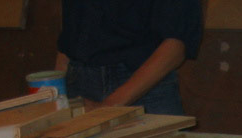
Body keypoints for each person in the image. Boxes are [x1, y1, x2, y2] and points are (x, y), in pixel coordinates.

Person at [55, 0, 202, 116]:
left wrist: (109, 106)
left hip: (145, 88)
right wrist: (55, 91)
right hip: (79, 84)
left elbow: (176, 45)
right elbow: (70, 38)